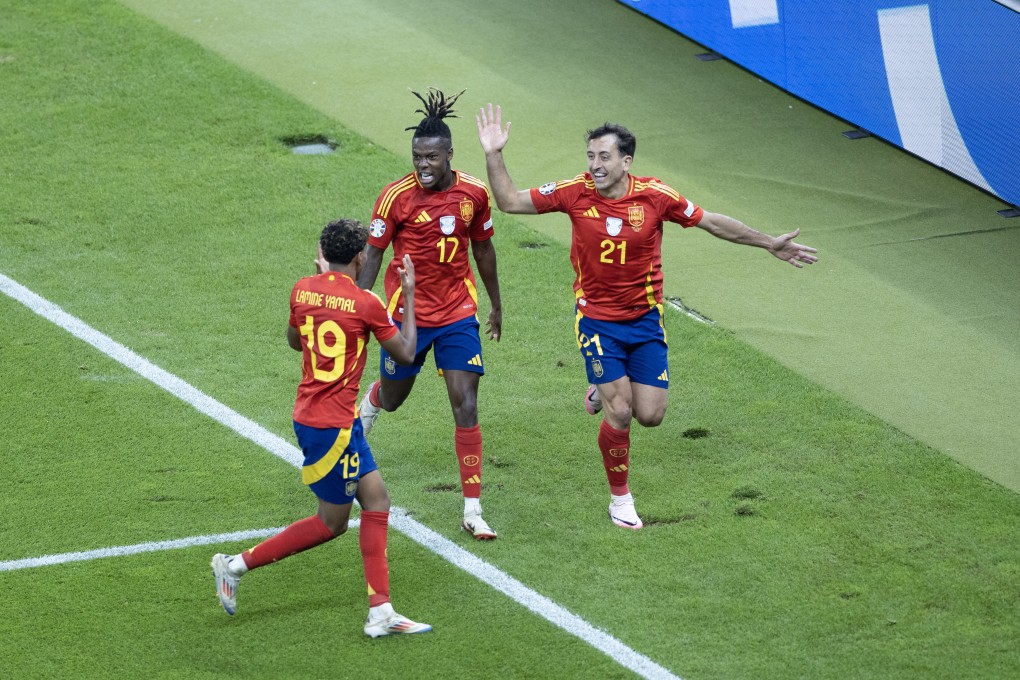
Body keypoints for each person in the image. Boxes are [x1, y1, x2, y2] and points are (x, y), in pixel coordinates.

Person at [476, 104, 818, 530]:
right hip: (597, 321)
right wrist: (494, 153)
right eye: (590, 157)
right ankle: (620, 499)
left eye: (604, 157)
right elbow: (509, 202)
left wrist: (768, 242)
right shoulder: (573, 192)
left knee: (651, 415)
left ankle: (602, 385)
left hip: (644, 321)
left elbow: (711, 222)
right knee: (620, 413)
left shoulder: (655, 197)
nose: (595, 165)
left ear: (626, 161)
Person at [211, 218, 431, 638]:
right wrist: (409, 294)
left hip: (324, 417)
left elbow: (295, 341)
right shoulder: (366, 302)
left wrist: (318, 286)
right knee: (331, 523)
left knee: (378, 501)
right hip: (333, 428)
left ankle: (381, 610)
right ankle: (235, 566)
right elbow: (404, 354)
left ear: (323, 253)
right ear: (360, 257)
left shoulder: (302, 288)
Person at [357, 88, 502, 540]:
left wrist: (496, 303)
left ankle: (472, 509)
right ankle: (372, 401)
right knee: (396, 398)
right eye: (417, 156)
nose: (422, 165)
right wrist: (355, 309)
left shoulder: (474, 193)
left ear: (449, 155)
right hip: (408, 316)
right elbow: (374, 256)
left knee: (466, 402)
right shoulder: (395, 198)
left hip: (459, 311)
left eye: (431, 158)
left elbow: (484, 250)